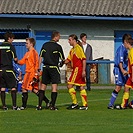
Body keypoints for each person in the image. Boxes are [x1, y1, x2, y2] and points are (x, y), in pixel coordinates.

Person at [17, 38, 49, 110]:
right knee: (34, 89)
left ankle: (23, 106)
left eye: (27, 43)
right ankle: (47, 101)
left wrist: (36, 74)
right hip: (28, 72)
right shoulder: (27, 53)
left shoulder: (34, 52)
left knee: (24, 88)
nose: (26, 45)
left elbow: (36, 64)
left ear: (31, 44)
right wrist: (16, 61)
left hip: (31, 73)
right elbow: (22, 62)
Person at [37, 31, 65, 110]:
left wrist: (39, 67)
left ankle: (39, 105)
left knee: (43, 86)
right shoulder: (58, 47)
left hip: (45, 67)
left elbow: (40, 57)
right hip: (54, 68)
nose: (59, 38)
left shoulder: (45, 45)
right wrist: (62, 64)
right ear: (55, 37)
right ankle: (52, 106)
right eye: (59, 36)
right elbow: (62, 59)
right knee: (54, 86)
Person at [107, 34, 132, 109]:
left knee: (127, 87)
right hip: (119, 70)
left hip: (124, 70)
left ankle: (125, 104)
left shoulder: (126, 50)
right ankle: (110, 104)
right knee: (118, 87)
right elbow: (120, 62)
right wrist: (122, 70)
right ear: (125, 41)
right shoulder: (121, 49)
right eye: (128, 42)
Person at [65, 34, 88, 110]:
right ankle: (85, 105)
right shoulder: (72, 50)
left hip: (78, 69)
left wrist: (84, 70)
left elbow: (83, 59)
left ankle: (75, 103)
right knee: (81, 87)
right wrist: (62, 62)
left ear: (74, 40)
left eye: (70, 40)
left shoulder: (78, 48)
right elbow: (68, 59)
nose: (68, 41)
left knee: (69, 85)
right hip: (76, 69)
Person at [0, 31, 20, 110]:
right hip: (8, 69)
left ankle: (4, 106)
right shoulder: (11, 47)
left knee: (2, 87)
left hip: (1, 70)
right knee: (13, 87)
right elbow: (15, 59)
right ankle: (14, 106)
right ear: (9, 38)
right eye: (12, 39)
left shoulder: (0, 46)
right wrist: (17, 61)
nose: (12, 41)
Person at [116, 38, 133, 109]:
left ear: (127, 43)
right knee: (126, 87)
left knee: (126, 87)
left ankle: (128, 104)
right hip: (131, 74)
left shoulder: (131, 52)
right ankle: (124, 105)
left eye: (124, 43)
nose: (124, 45)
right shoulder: (130, 52)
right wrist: (128, 72)